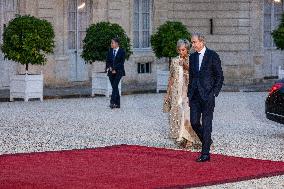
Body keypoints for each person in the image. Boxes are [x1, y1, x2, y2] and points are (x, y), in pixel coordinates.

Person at [188, 33, 224, 162]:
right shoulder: (192, 57)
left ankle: (205, 154)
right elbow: (191, 77)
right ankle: (207, 141)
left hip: (208, 95)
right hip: (194, 96)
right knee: (194, 122)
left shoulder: (213, 55)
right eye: (192, 42)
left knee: (207, 124)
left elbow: (219, 76)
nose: (192, 45)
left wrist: (214, 92)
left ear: (202, 42)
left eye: (194, 42)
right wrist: (189, 94)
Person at [163, 39, 201, 149]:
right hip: (177, 92)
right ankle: (183, 138)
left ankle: (191, 138)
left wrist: (185, 66)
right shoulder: (174, 61)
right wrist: (168, 93)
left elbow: (197, 74)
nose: (181, 52)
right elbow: (171, 77)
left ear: (188, 49)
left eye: (183, 50)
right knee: (179, 115)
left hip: (190, 92)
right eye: (179, 50)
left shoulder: (193, 59)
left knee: (189, 116)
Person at [105, 37, 126, 109]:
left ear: (116, 43)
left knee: (115, 85)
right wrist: (110, 68)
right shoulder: (110, 51)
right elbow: (107, 61)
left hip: (119, 71)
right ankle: (118, 104)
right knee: (115, 87)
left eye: (112, 43)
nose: (111, 44)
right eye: (111, 43)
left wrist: (114, 69)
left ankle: (112, 102)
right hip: (111, 71)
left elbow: (121, 63)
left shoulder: (122, 51)